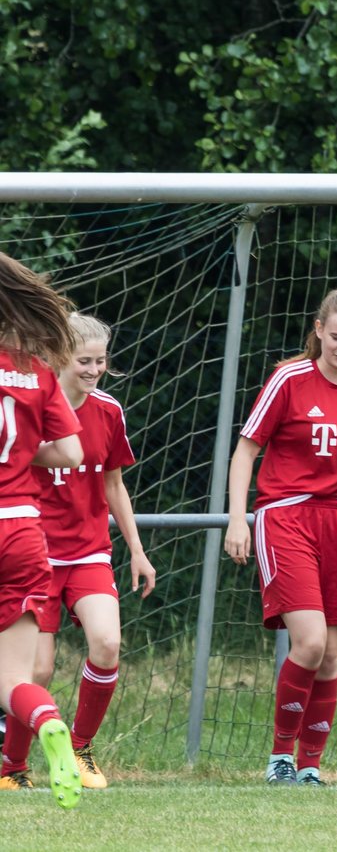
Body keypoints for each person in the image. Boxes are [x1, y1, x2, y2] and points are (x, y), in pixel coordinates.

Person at [224, 289, 337, 787]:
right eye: (335, 337)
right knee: (310, 643)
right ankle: (280, 758)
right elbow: (246, 450)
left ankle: (311, 764)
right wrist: (237, 519)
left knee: (333, 653)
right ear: (318, 330)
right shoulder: (289, 379)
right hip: (285, 516)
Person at [1, 313, 156, 792]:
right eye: (84, 361)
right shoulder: (32, 398)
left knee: (108, 644)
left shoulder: (108, 411)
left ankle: (81, 748)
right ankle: (13, 766)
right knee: (37, 668)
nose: (93, 370)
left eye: (100, 361)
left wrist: (137, 549)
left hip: (88, 550)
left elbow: (114, 483)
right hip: (36, 549)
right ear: (60, 359)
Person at [0, 251, 85, 808]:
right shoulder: (36, 370)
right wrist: (24, 449)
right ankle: (50, 720)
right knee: (13, 679)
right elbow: (72, 452)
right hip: (22, 533)